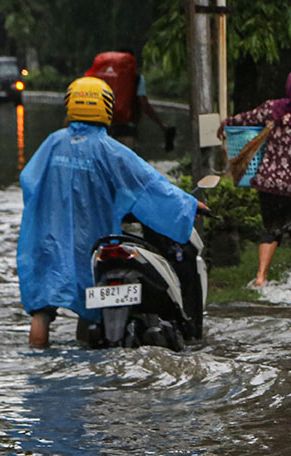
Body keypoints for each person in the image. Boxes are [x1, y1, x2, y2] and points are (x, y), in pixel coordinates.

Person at [17, 77, 204, 348]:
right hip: (92, 237)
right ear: (106, 107)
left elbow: (30, 182)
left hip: (50, 237)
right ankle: (87, 357)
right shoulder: (109, 148)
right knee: (90, 307)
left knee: (42, 312)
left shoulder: (52, 143)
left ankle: (38, 364)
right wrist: (189, 204)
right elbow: (148, 183)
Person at [221, 69, 291, 287]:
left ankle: (261, 276)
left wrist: (226, 123)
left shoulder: (271, 108)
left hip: (268, 183)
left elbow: (247, 118)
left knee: (271, 229)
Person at [86, 49, 174, 151]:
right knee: (126, 162)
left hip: (102, 126)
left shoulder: (100, 77)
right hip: (127, 128)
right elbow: (144, 104)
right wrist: (161, 124)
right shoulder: (136, 79)